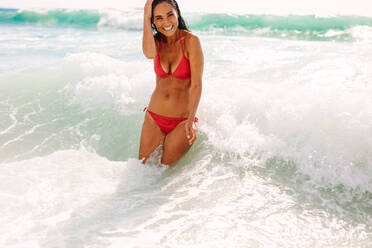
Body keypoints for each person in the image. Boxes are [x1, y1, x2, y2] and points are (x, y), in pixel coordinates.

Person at [139, 0, 204, 166]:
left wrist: (191, 120)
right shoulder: (156, 42)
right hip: (154, 117)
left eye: (170, 15)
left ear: (177, 14)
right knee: (142, 172)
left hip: (182, 121)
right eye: (158, 18)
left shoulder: (191, 41)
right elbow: (148, 54)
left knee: (163, 175)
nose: (166, 22)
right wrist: (146, 18)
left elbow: (196, 84)